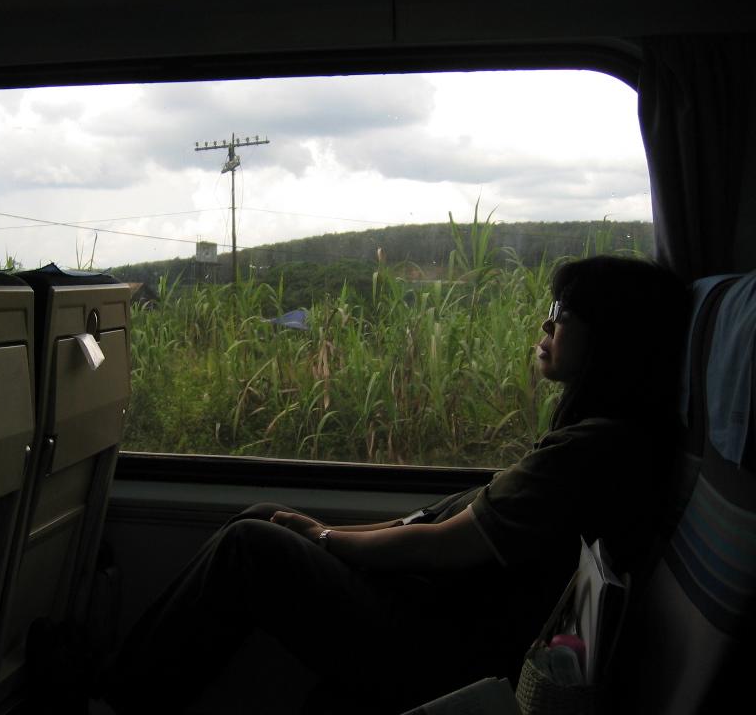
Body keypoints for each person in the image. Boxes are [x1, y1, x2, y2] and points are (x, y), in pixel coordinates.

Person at [102, 255, 688, 714]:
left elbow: (444, 544)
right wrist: (325, 531)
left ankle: (116, 700)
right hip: (441, 619)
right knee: (257, 516)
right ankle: (121, 686)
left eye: (562, 311)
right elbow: (435, 523)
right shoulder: (596, 441)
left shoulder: (594, 452)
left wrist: (329, 540)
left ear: (612, 338)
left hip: (446, 650)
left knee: (248, 547)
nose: (545, 323)